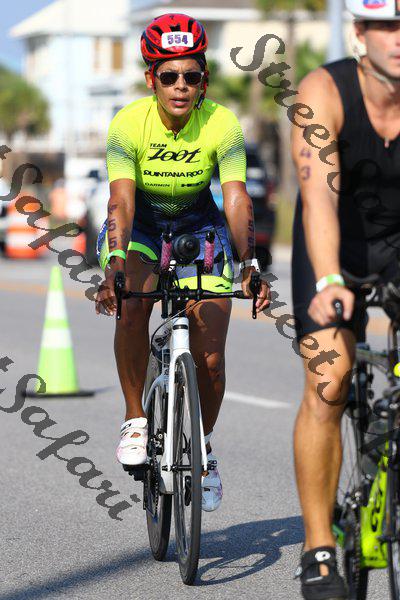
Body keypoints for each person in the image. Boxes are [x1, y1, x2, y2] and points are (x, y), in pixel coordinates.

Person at [94, 13, 270, 513]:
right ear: (151, 78)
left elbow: (235, 197)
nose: (180, 86)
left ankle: (203, 447)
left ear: (204, 80)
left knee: (210, 358)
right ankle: (135, 418)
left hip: (200, 229)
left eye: (191, 76)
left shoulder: (222, 123)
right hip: (143, 228)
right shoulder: (128, 123)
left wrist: (249, 263)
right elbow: (121, 201)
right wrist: (114, 264)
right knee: (133, 306)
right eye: (168, 75)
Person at [291, 1, 400, 597]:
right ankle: (319, 547)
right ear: (359, 32)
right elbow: (318, 198)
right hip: (335, 246)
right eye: (387, 25)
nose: (399, 38)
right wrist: (330, 280)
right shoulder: (322, 92)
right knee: (328, 381)